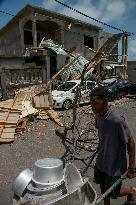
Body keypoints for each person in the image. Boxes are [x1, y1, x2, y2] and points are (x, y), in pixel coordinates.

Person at [89, 87, 136, 205]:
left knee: (113, 191)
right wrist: (100, 146)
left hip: (115, 164)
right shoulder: (98, 116)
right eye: (91, 102)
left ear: (105, 100)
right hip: (102, 160)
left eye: (95, 102)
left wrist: (132, 167)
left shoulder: (116, 120)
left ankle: (132, 191)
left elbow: (131, 142)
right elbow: (101, 133)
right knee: (103, 187)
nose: (92, 105)